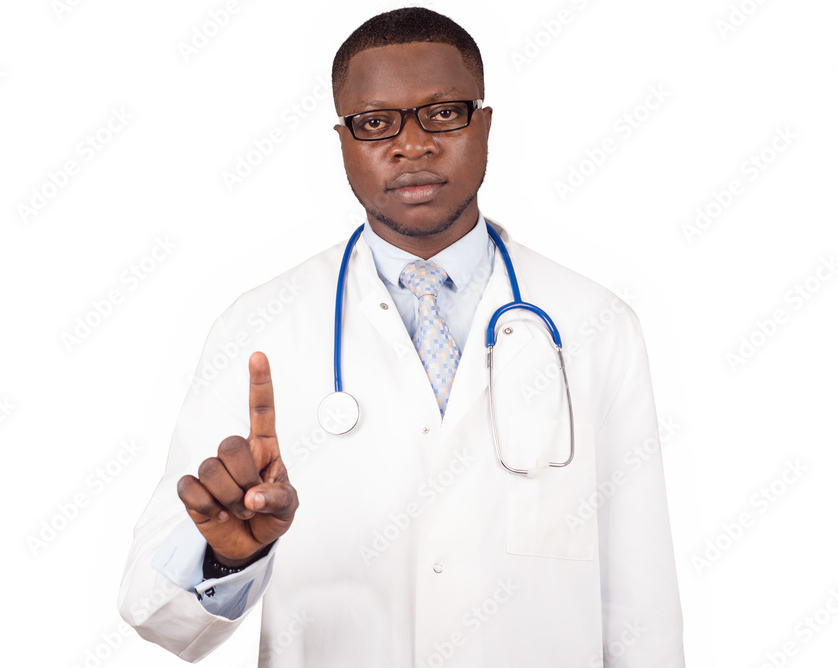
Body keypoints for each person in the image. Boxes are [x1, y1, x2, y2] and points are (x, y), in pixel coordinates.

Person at [118, 7, 686, 667]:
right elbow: (150, 609)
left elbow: (642, 609)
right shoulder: (260, 327)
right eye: (375, 123)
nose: (411, 145)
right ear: (343, 141)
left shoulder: (595, 324)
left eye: (443, 113)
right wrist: (226, 554)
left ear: (485, 124)